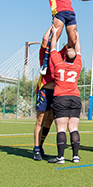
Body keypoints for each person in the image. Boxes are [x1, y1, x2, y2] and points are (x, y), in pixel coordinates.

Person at [48, 26, 82, 164]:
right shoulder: (77, 65)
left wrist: (55, 34)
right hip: (75, 98)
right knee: (73, 128)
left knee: (61, 128)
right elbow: (78, 50)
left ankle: (61, 157)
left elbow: (53, 48)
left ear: (64, 56)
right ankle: (75, 156)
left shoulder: (58, 64)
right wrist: (77, 37)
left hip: (61, 98)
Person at [33, 26, 67, 161]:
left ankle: (41, 145)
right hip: (44, 90)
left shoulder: (59, 55)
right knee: (40, 119)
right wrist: (53, 27)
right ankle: (36, 149)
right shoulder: (44, 53)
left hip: (56, 92)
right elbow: (45, 39)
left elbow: (72, 43)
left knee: (50, 119)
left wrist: (70, 28)